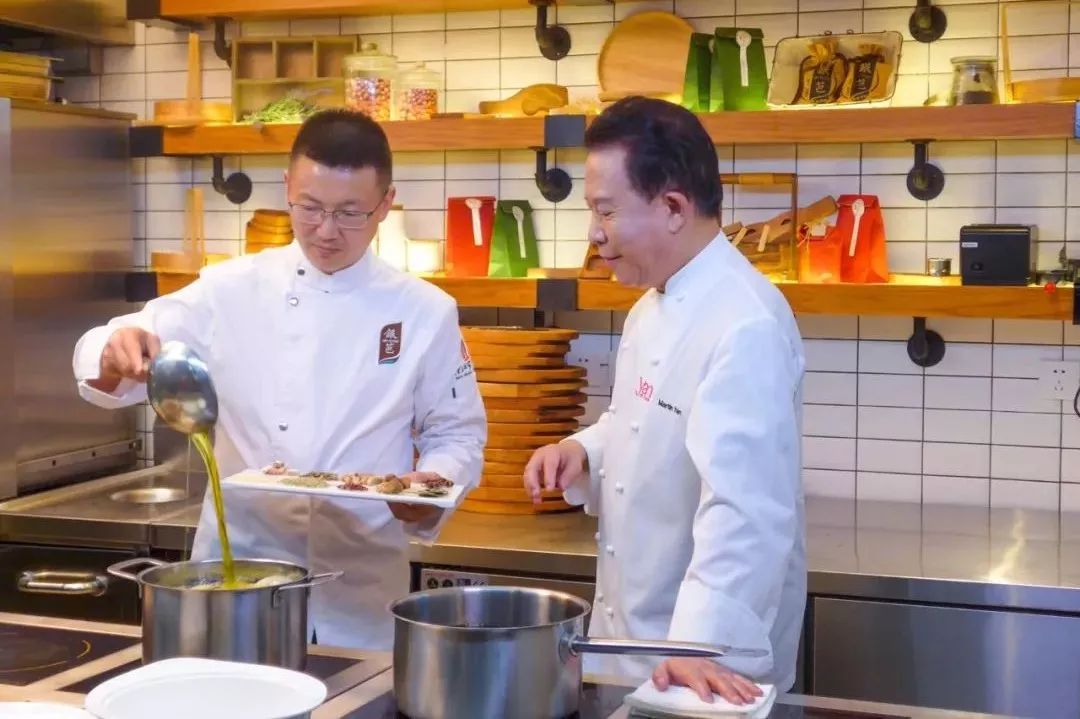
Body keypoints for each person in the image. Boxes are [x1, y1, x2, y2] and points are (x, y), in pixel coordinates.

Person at [72, 109, 486, 650]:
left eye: (350, 213)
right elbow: (121, 340)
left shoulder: (425, 310)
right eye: (309, 207)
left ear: (386, 204)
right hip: (237, 581)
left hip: (360, 592)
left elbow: (457, 434)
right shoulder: (228, 289)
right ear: (287, 187)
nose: (326, 230)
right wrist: (114, 349)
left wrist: (431, 488)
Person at [524, 97, 806, 705]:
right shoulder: (651, 305)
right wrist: (583, 449)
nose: (594, 233)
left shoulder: (744, 321)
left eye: (606, 211)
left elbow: (746, 508)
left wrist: (700, 645)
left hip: (702, 664)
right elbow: (637, 419)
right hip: (633, 641)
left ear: (674, 207)